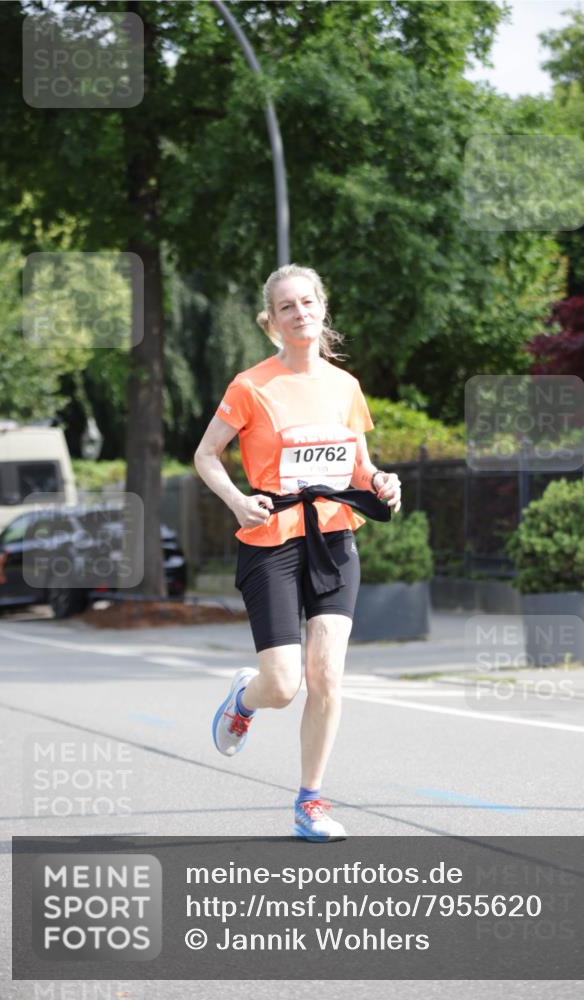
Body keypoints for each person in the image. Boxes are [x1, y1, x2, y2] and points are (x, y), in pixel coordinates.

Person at [194, 264, 401, 842]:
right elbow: (206, 456)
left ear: (322, 308)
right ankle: (244, 697)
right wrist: (238, 502)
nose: (300, 312)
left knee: (327, 675)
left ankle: (310, 801)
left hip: (334, 538)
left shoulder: (345, 387)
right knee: (283, 685)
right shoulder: (250, 386)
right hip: (270, 541)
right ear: (272, 321)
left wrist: (383, 481)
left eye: (308, 302)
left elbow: (360, 465)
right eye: (287, 306)